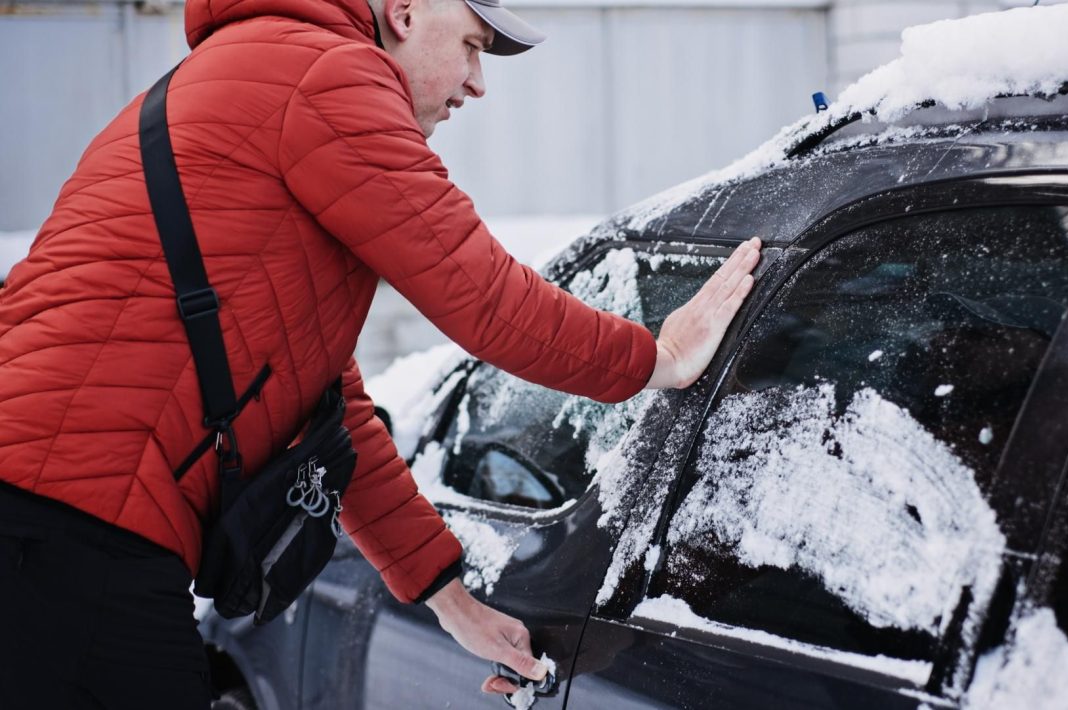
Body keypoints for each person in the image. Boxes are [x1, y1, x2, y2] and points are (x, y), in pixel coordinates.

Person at [0, 0, 761, 706]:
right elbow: (484, 298)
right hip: (69, 528)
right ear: (402, 11)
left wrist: (449, 600)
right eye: (471, 44)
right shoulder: (329, 73)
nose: (478, 82)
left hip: (50, 521)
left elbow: (327, 415)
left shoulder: (260, 72)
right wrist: (657, 358)